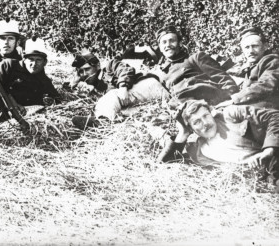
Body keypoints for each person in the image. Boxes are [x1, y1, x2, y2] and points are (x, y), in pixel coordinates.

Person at [72, 24, 238, 129]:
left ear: (180, 43)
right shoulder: (163, 67)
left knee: (123, 101)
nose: (168, 45)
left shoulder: (195, 58)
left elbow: (221, 76)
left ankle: (102, 122)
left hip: (194, 97)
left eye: (172, 41)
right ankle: (103, 122)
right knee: (130, 109)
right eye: (163, 43)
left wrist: (234, 97)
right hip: (173, 101)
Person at [157, 99, 279, 192]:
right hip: (266, 180)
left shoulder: (231, 115)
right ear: (191, 129)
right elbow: (164, 164)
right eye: (197, 122)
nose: (205, 123)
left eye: (206, 116)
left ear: (211, 113)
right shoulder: (200, 151)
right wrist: (183, 133)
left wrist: (269, 149)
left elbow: (275, 116)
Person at [218, 26, 279, 110]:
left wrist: (234, 99)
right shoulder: (251, 65)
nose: (250, 51)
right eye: (247, 47)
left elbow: (265, 85)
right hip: (249, 108)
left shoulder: (272, 61)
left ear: (265, 46)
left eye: (255, 46)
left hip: (265, 111)